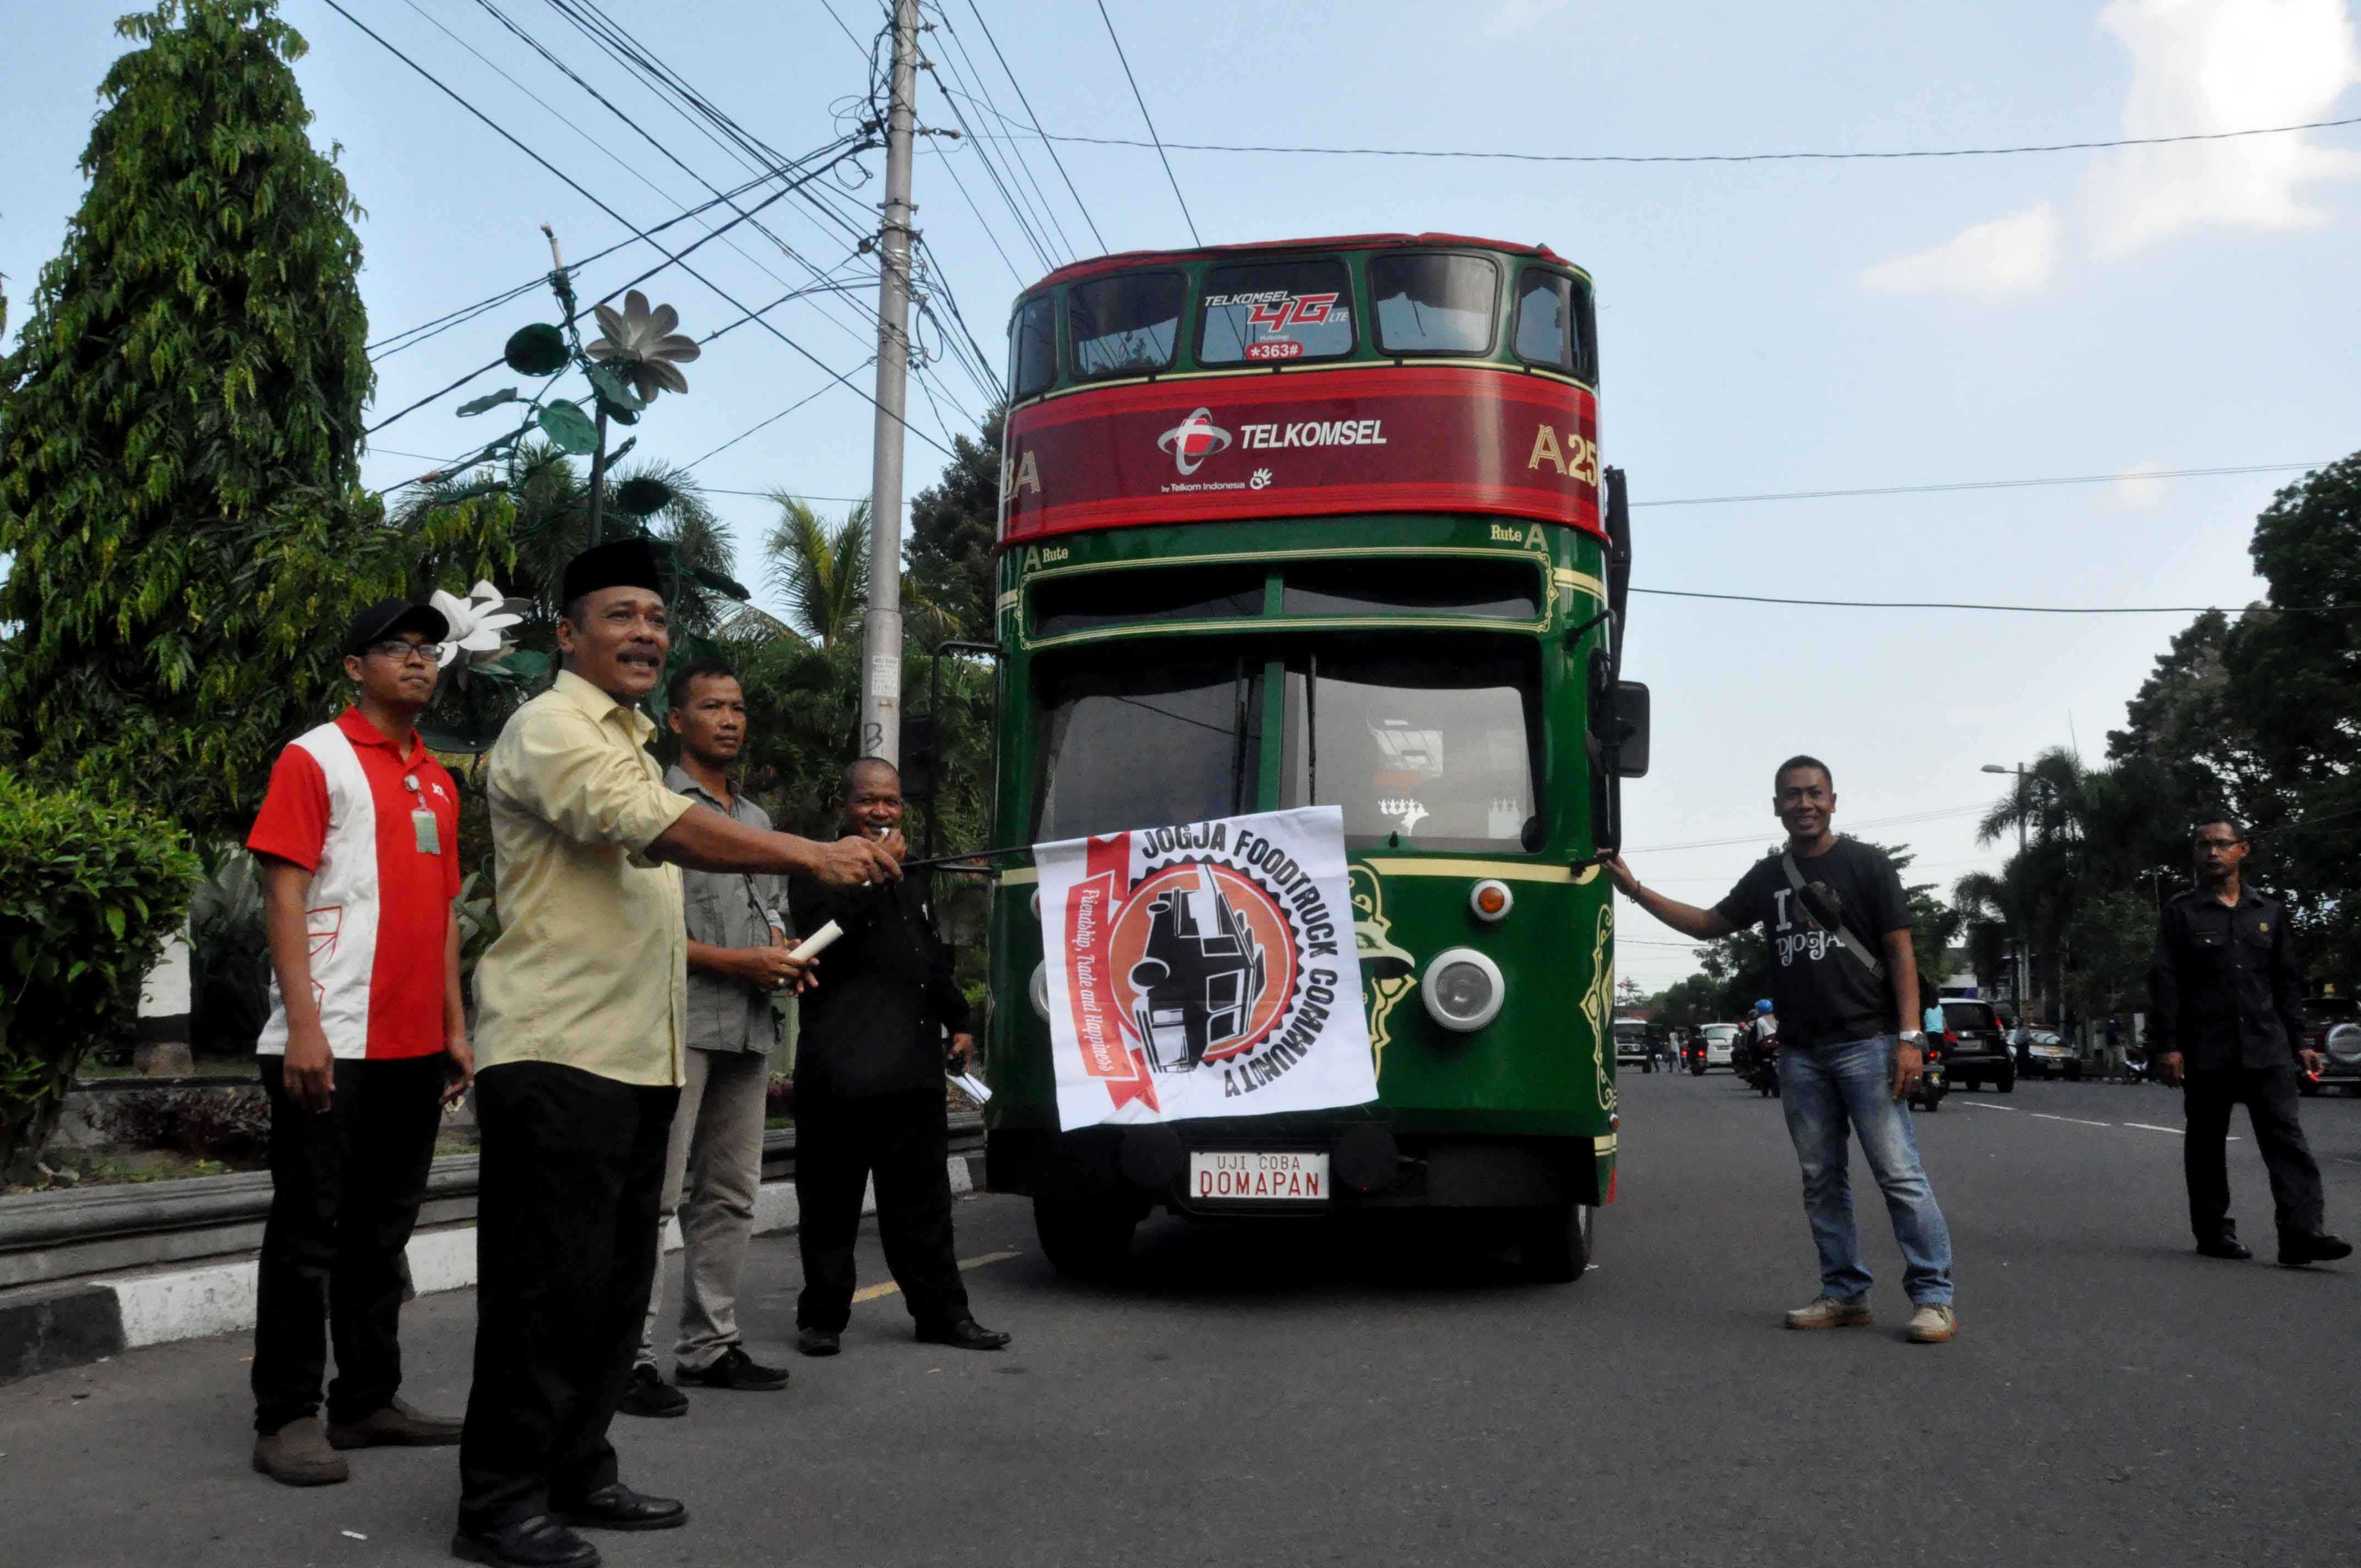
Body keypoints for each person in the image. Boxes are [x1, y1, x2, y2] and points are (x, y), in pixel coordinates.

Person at [455, 539, 901, 1568]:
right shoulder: (552, 728)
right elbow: (648, 825)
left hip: (637, 1058)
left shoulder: (627, 738)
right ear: (568, 634)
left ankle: (577, 1467)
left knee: (611, 1289)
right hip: (556, 1052)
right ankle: (497, 1502)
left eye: (655, 617)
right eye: (618, 614)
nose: (644, 632)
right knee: (544, 1288)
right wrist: (810, 850)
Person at [1607, 755, 1957, 1344]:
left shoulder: (1866, 864)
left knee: (1899, 1175)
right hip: (1800, 1053)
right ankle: (1845, 1293)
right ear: (1776, 806)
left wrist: (1909, 1039)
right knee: (1822, 1178)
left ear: (1833, 800)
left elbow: (1901, 956)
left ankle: (1933, 1298)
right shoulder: (1769, 874)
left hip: (1868, 1045)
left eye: (1814, 793)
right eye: (1792, 795)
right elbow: (1707, 925)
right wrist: (1635, 890)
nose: (1804, 803)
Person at [244, 598, 474, 1487]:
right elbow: (284, 894)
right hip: (330, 1038)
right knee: (309, 1236)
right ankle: (287, 1413)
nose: (418, 662)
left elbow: (448, 913)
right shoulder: (315, 757)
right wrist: (303, 1027)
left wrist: (455, 1028)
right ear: (354, 667)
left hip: (415, 1045)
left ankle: (368, 1398)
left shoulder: (439, 779)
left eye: (429, 650)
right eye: (396, 649)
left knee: (383, 1235)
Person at [619, 658, 801, 1420]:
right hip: (678, 1022)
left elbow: (773, 915)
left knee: (730, 1193)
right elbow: (639, 930)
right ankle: (628, 1357)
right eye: (711, 707)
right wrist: (736, 962)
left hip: (751, 1026)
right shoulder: (655, 804)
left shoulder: (756, 822)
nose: (729, 719)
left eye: (738, 706)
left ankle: (710, 1345)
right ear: (678, 721)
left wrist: (787, 957)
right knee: (655, 1195)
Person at [788, 758, 1009, 1357]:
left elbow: (925, 955)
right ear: (842, 809)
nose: (881, 811)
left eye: (890, 801)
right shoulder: (815, 868)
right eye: (867, 801)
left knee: (924, 1207)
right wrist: (874, 879)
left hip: (910, 1071)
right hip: (840, 1070)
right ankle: (822, 1318)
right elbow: (818, 943)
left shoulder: (909, 876)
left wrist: (958, 1021)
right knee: (830, 1205)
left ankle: (943, 1315)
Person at [2147, 816, 2349, 1268]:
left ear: (2243, 850)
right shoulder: (2181, 913)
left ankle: (2301, 1234)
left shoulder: (2270, 912)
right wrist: (2168, 1045)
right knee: (2206, 1144)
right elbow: (2166, 982)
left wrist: (2300, 1040)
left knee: (2287, 1141)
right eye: (2203, 846)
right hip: (2206, 1050)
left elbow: (2286, 981)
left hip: (2267, 1047)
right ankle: (2214, 1232)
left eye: (2222, 845)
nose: (2212, 853)